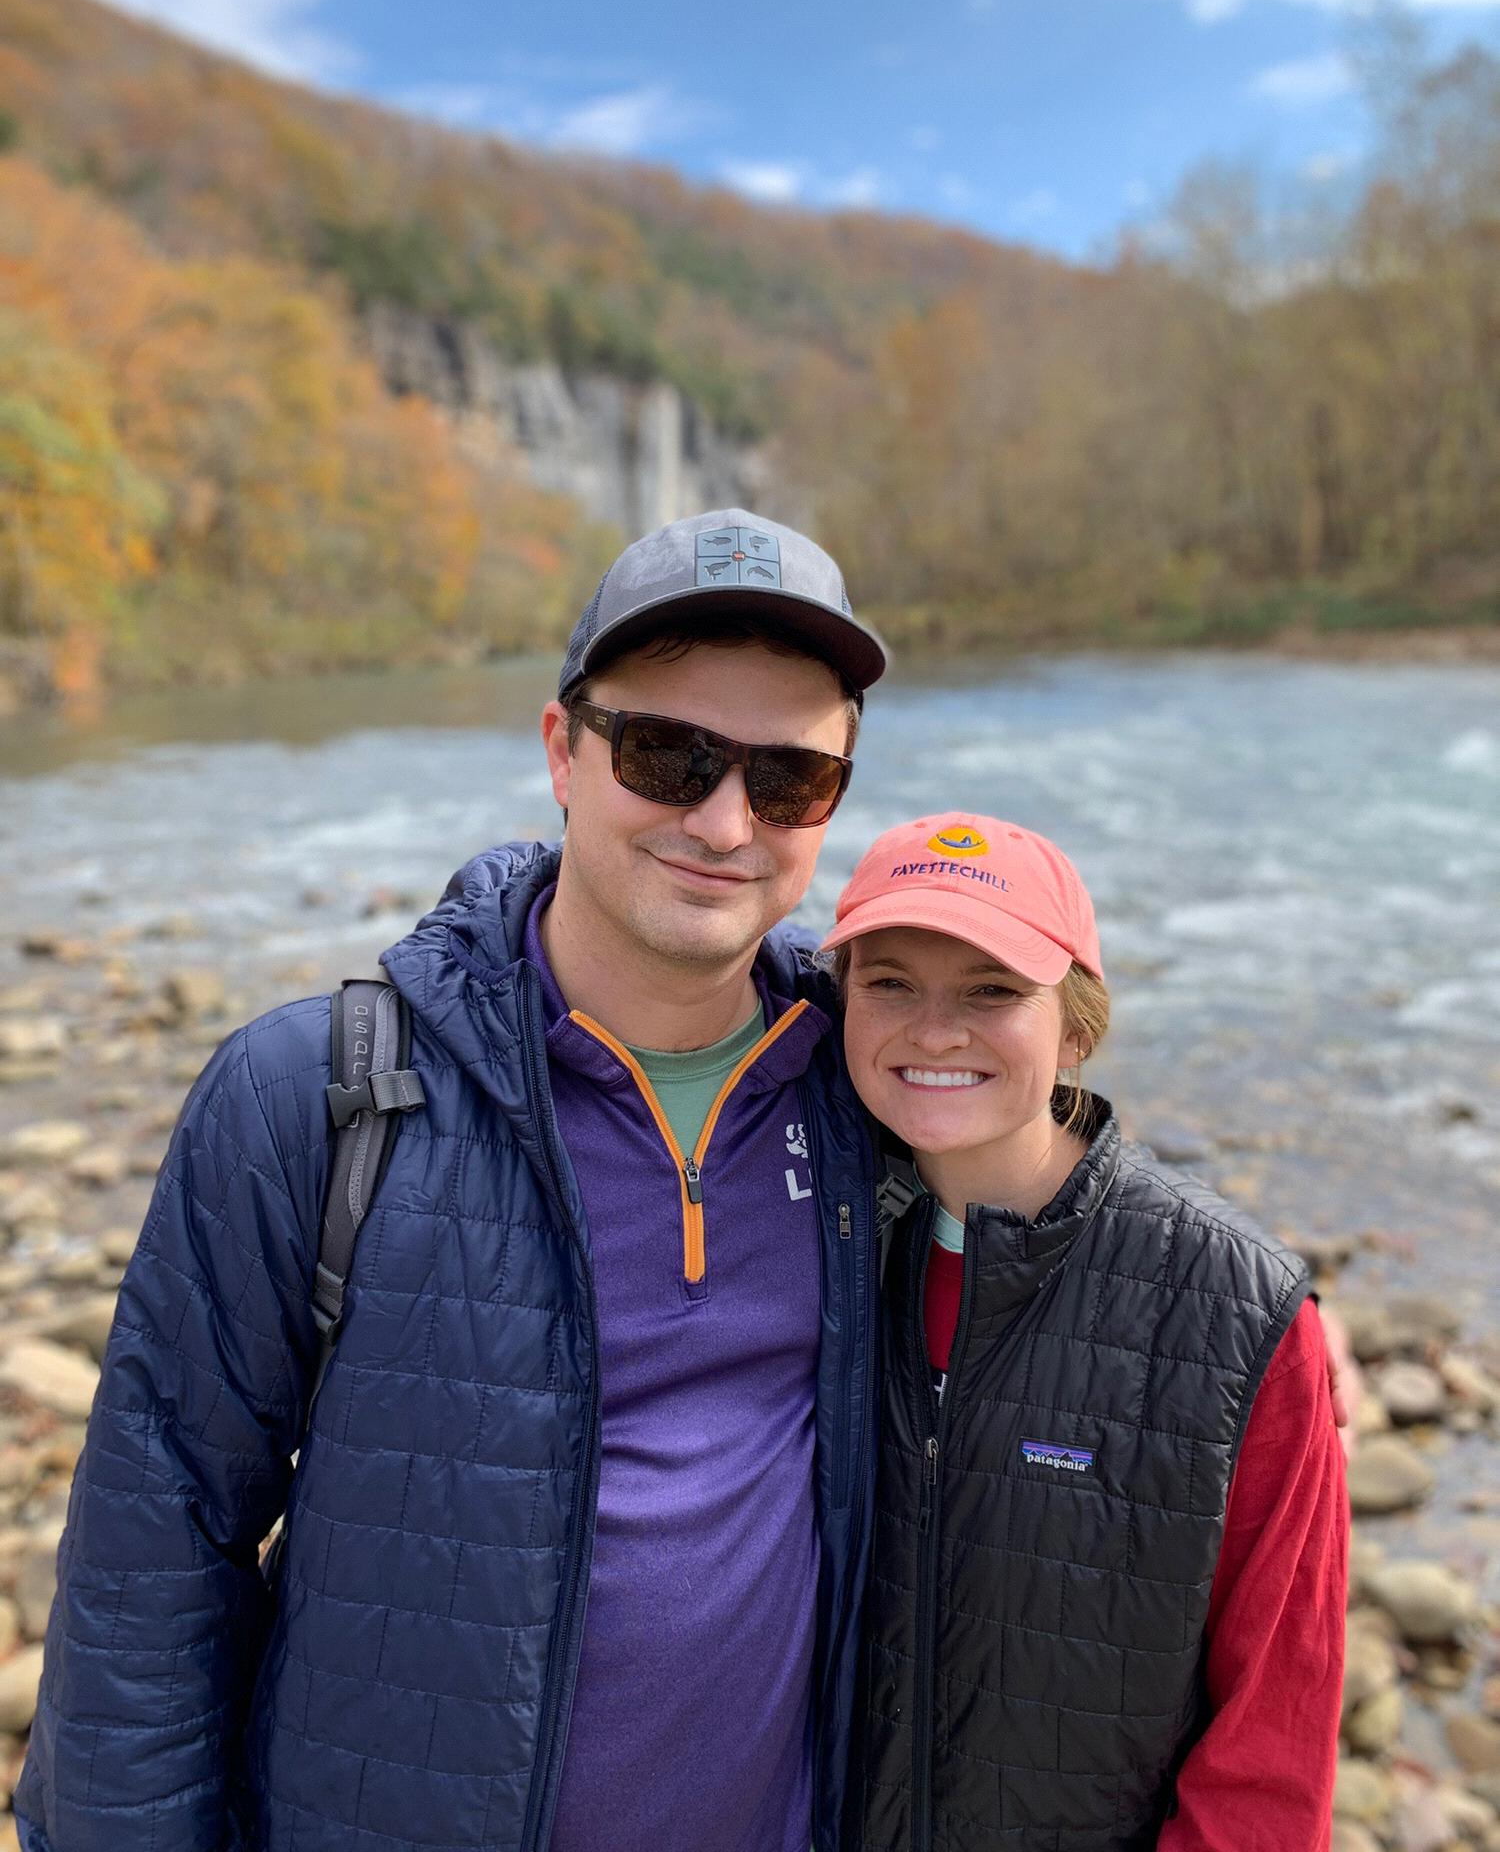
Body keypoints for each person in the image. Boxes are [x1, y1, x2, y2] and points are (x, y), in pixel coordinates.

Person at [16, 510, 887, 1852]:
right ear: (560, 751)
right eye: (668, 755)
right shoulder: (312, 1096)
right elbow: (154, 1557)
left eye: (789, 781)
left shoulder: (872, 1099)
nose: (723, 821)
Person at [821, 813, 1349, 1852]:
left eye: (992, 990)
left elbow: (1274, 1738)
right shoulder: (810, 1238)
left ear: (1075, 1027)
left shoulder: (1236, 1307)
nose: (934, 1031)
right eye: (889, 981)